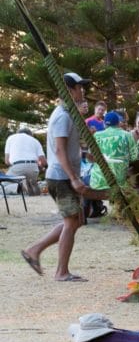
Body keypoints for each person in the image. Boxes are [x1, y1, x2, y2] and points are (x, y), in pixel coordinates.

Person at [21, 72, 91, 282]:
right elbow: (59, 151)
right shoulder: (62, 115)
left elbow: (70, 146)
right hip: (61, 177)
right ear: (69, 91)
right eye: (79, 87)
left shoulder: (69, 114)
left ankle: (34, 250)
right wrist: (74, 178)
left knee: (76, 221)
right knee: (71, 223)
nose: (83, 90)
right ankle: (61, 272)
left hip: (64, 176)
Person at [89, 111, 139, 191]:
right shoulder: (127, 135)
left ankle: (89, 203)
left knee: (84, 178)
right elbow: (134, 157)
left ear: (104, 124)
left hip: (97, 183)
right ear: (119, 123)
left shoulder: (96, 135)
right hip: (118, 183)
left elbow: (90, 158)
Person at [5, 126, 45, 195]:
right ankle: (32, 185)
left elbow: (7, 161)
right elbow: (43, 162)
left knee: (3, 185)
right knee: (29, 179)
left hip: (18, 166)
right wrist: (41, 168)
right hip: (33, 168)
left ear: (17, 133)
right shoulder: (35, 141)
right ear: (30, 135)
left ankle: (21, 186)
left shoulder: (11, 138)